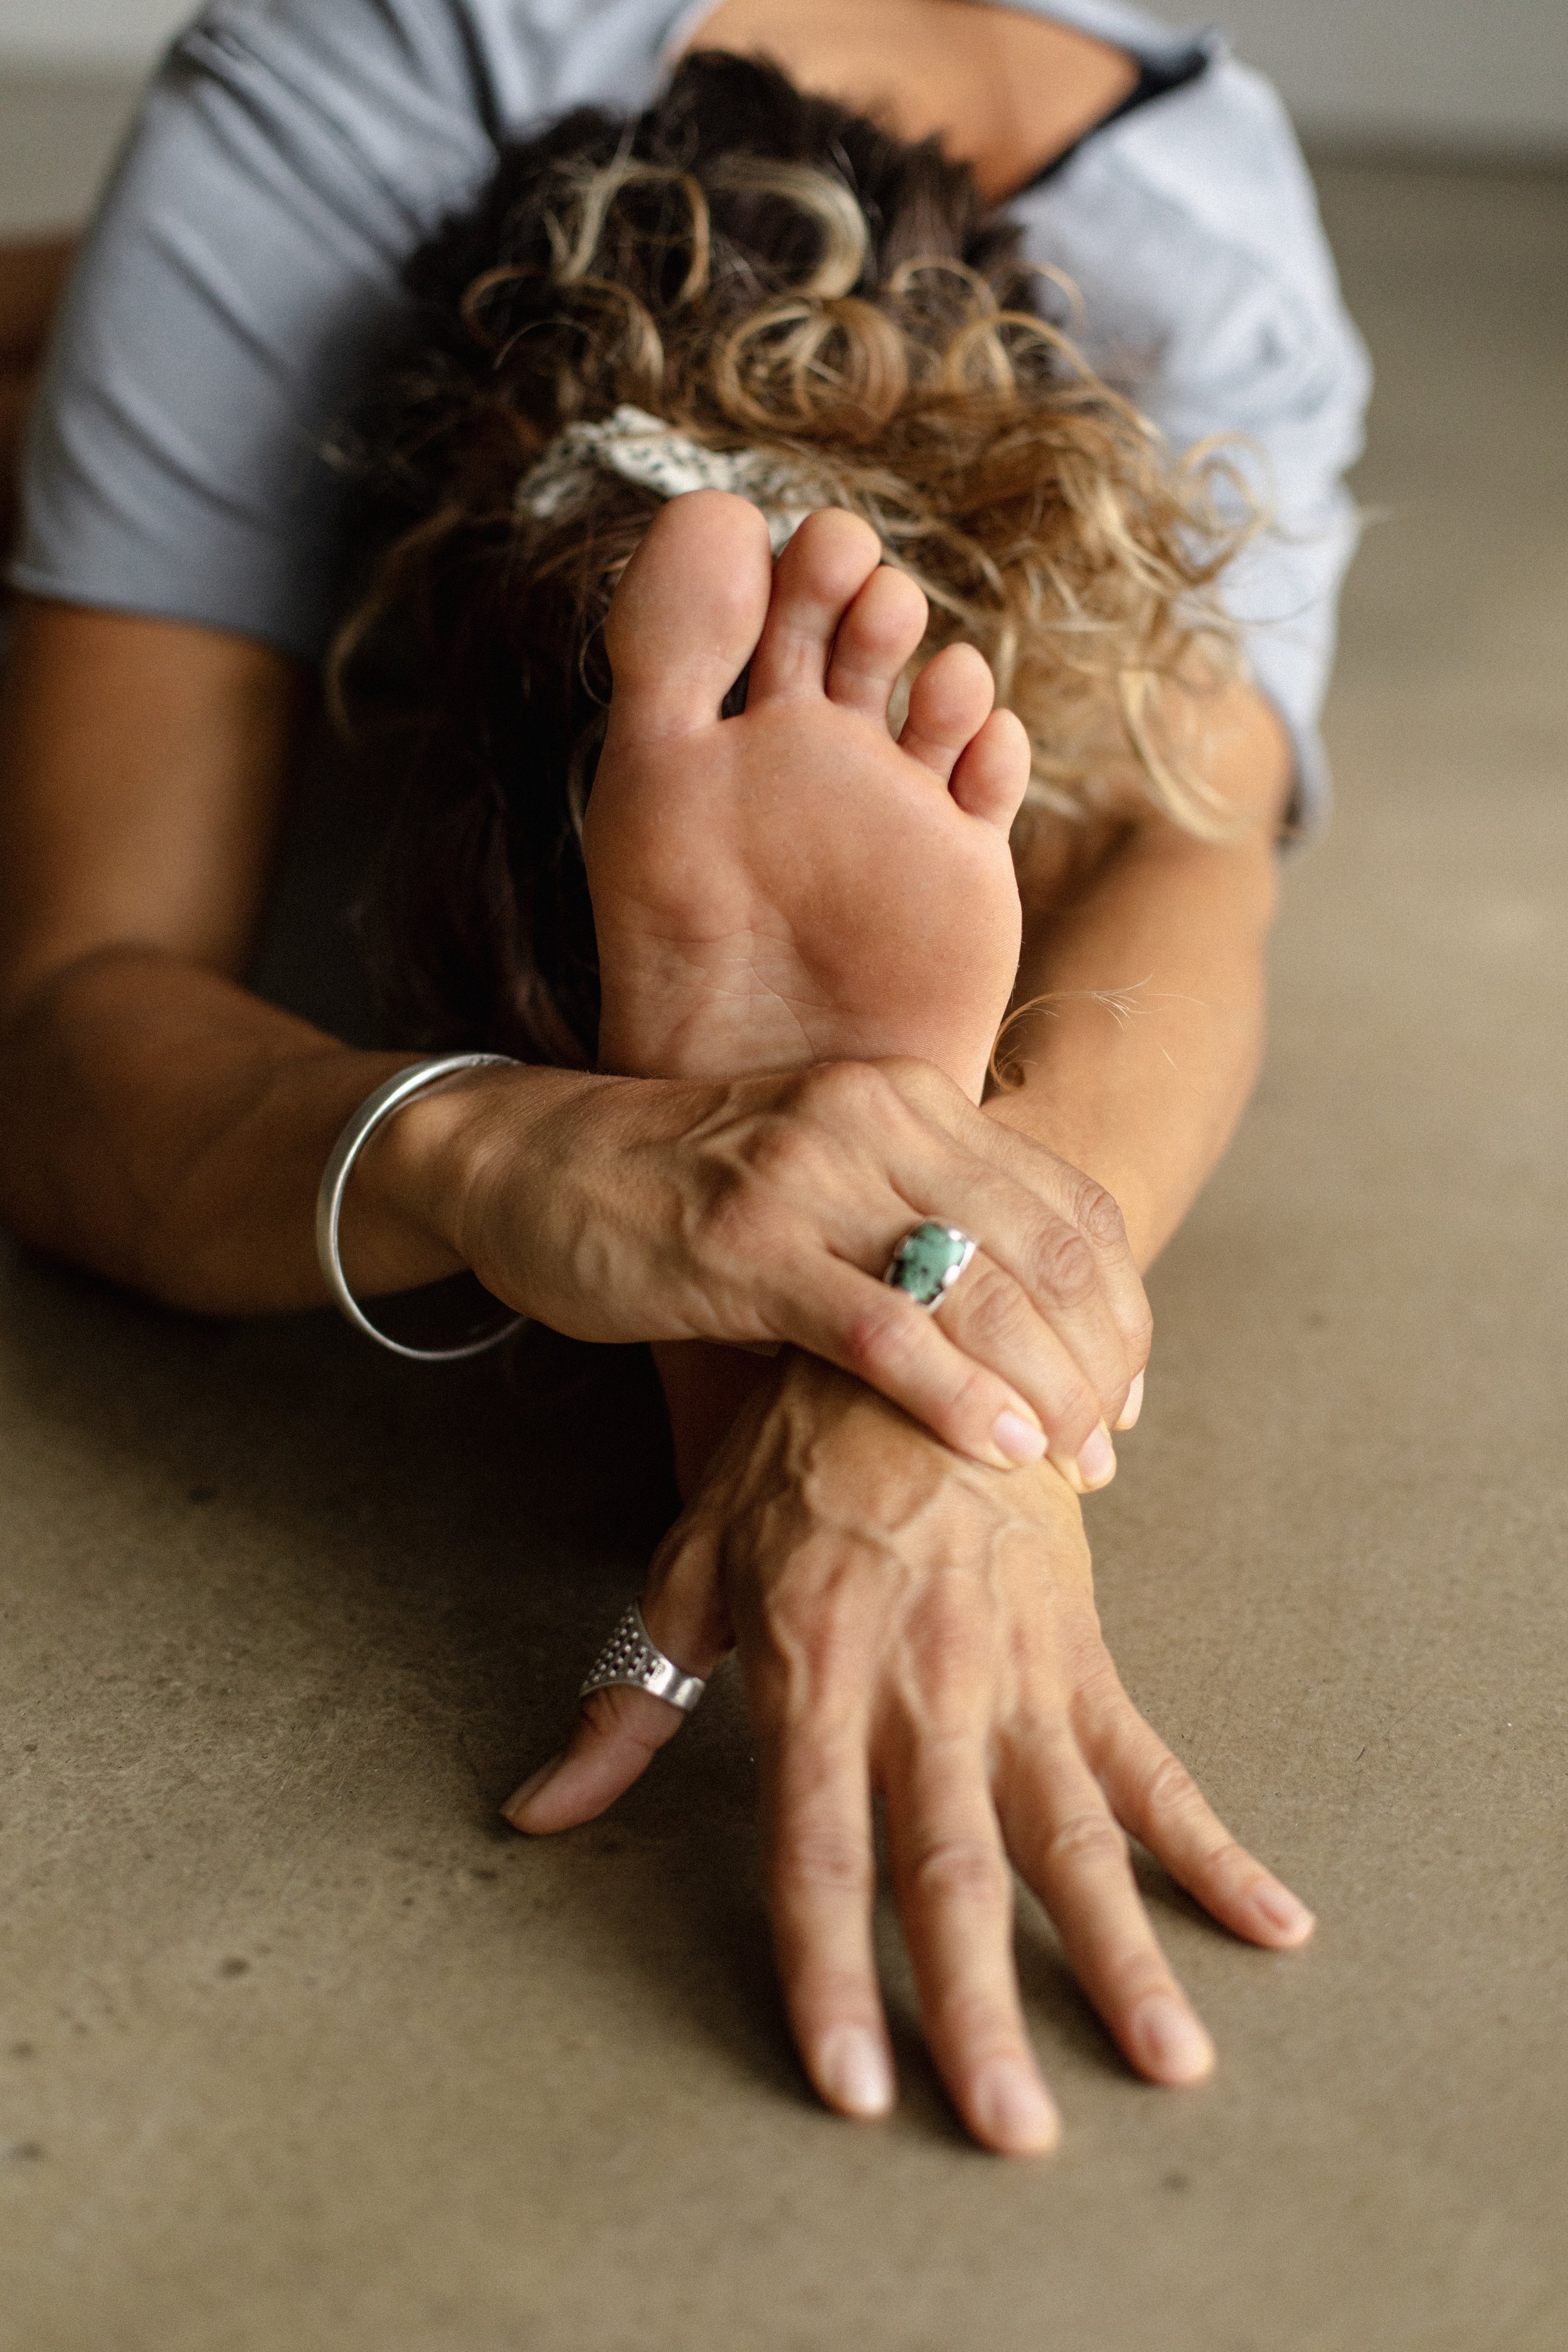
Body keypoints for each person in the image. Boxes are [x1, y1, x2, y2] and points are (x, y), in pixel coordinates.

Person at [0, 0, 1369, 2156]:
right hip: (401, 292)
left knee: (151, 379)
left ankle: (172, 384)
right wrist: (513, 1140)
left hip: (537, 398)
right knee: (175, 367)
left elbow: (1190, 877)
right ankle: (181, 388)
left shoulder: (1226, 305)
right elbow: (65, 1002)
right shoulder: (354, 72)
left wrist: (919, 1397)